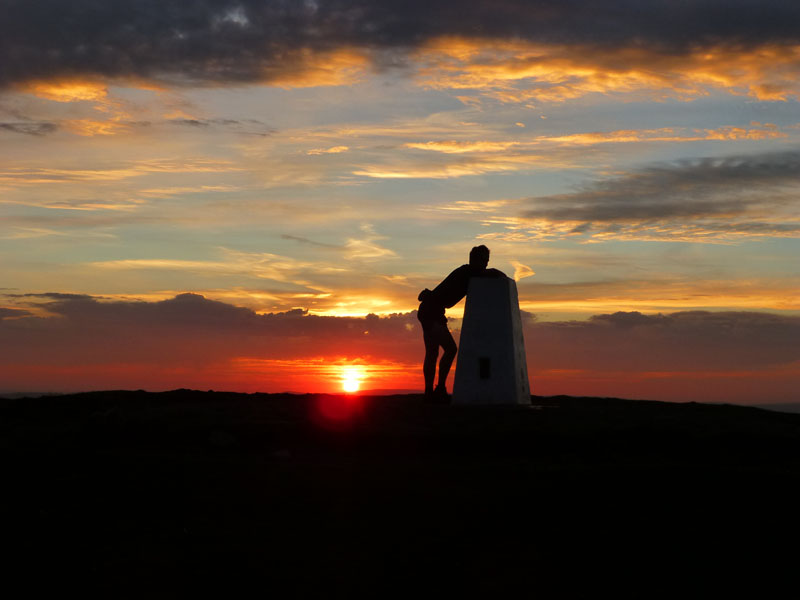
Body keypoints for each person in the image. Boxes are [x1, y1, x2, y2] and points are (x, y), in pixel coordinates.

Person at [417, 245, 506, 402]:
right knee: (450, 349)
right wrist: (501, 275)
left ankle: (430, 392)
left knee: (432, 353)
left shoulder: (467, 272)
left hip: (432, 311)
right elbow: (490, 273)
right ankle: (438, 389)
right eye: (484, 260)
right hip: (430, 311)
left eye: (487, 261)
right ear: (474, 260)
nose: (485, 264)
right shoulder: (469, 271)